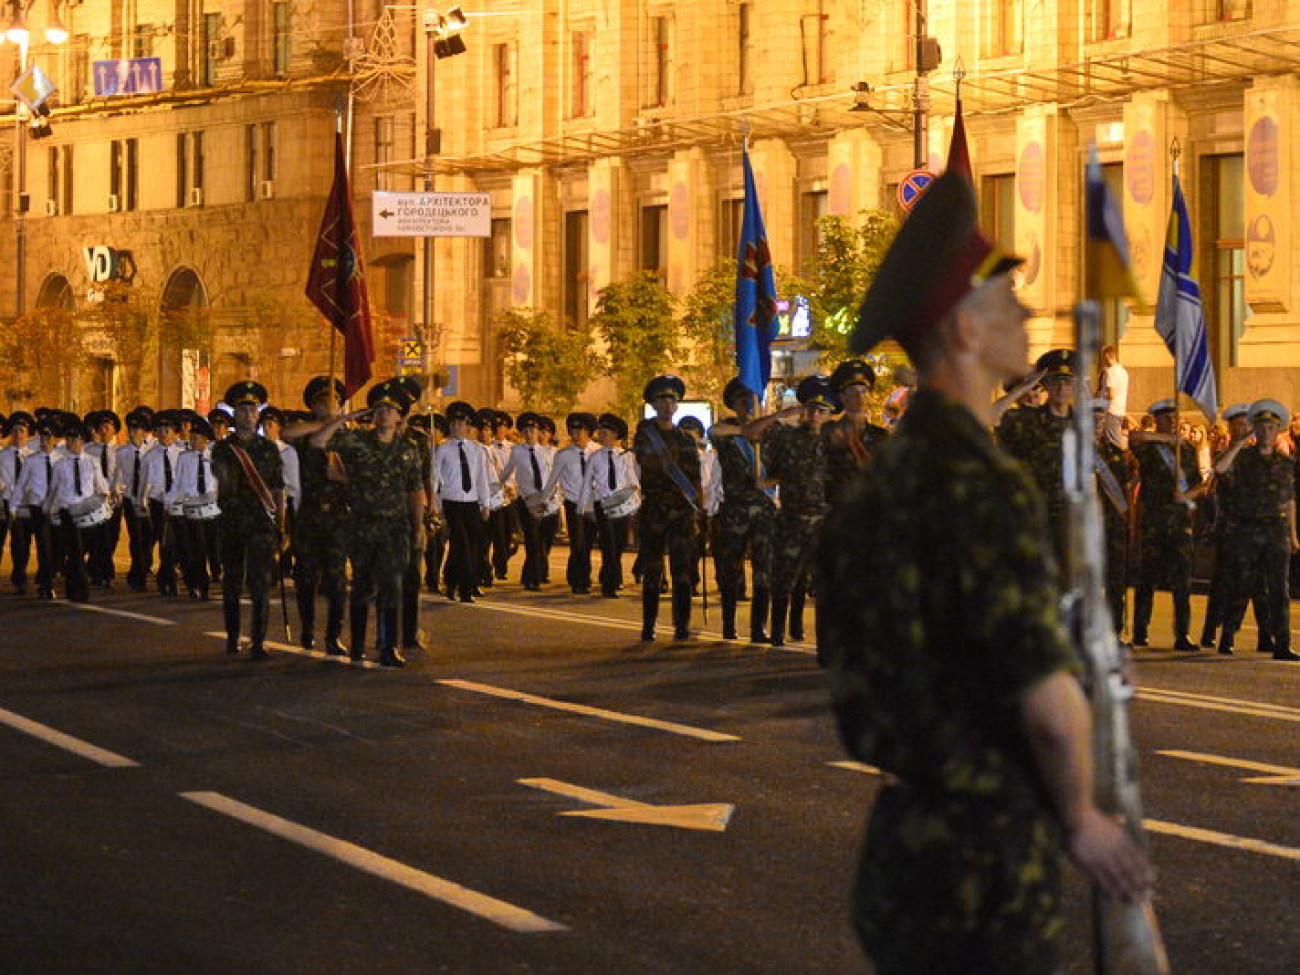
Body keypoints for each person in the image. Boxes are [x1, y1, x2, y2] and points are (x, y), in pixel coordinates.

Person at [817, 169, 1153, 974]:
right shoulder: (978, 479)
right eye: (1006, 300)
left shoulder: (889, 478)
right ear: (964, 330)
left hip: (907, 841)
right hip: (988, 852)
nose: (1026, 314)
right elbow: (1045, 703)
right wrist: (1081, 818)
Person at [310, 379, 424, 666]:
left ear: (400, 416)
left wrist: (418, 525)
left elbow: (415, 489)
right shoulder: (357, 441)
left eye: (391, 410)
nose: (385, 414)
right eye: (380, 409)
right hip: (362, 525)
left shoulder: (408, 449)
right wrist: (345, 418)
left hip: (395, 528)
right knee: (363, 586)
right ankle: (358, 644)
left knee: (392, 586)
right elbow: (317, 441)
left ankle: (388, 646)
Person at [743, 376, 835, 648]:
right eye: (809, 408)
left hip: (824, 521)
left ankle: (824, 639)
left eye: (821, 410)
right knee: (784, 579)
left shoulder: (835, 441)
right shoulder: (788, 436)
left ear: (830, 414)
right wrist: (781, 414)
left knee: (824, 584)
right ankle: (778, 634)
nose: (814, 414)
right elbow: (752, 432)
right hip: (792, 518)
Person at [1210, 399, 1299, 660]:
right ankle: (1227, 636)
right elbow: (1219, 469)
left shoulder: (1286, 463)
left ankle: (1282, 643)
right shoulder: (1243, 458)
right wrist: (1238, 443)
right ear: (1254, 430)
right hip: (1248, 531)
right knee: (1241, 585)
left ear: (1277, 430)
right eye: (1261, 427)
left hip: (1276, 532)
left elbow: (1289, 499)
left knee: (1280, 591)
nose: (1266, 432)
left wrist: (1293, 535)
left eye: (1271, 428)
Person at [211, 382, 285, 659]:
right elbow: (221, 483)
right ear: (235, 413)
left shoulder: (269, 449)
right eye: (243, 409)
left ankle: (258, 641)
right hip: (231, 522)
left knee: (260, 584)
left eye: (252, 409)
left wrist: (281, 525)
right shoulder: (222, 449)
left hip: (261, 525)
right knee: (232, 582)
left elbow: (278, 488)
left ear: (258, 414)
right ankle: (233, 637)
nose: (248, 414)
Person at [283, 377, 351, 656]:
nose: (328, 404)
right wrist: (324, 426)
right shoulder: (302, 434)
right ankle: (308, 630)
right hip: (308, 517)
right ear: (312, 405)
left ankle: (334, 635)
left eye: (333, 400)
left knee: (337, 581)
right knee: (306, 578)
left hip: (337, 518)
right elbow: (286, 433)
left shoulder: (348, 437)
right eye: (322, 401)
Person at [1129, 400, 1204, 651]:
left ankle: (1182, 634)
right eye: (1166, 419)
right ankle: (1140, 631)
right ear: (1158, 421)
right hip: (1154, 522)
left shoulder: (1189, 451)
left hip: (1180, 523)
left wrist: (1186, 497)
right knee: (1147, 580)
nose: (1171, 423)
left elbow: (1200, 485)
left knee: (1182, 583)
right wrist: (1166, 439)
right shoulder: (1150, 448)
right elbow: (1134, 437)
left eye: (1174, 419)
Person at [633, 375, 702, 641]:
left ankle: (681, 625)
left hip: (682, 510)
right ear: (653, 404)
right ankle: (649, 625)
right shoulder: (645, 433)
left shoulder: (686, 438)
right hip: (655, 509)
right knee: (652, 570)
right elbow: (648, 462)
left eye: (672, 399)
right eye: (662, 399)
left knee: (682, 571)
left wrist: (699, 507)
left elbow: (695, 475)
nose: (667, 404)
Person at [997, 348, 1076, 574]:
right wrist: (1023, 386)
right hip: (1032, 515)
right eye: (1054, 383)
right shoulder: (1027, 419)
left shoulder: (1081, 425)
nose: (1061, 389)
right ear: (1046, 386)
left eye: (1067, 382)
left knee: (1065, 583)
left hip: (1067, 518)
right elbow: (991, 415)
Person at [709, 379, 776, 642]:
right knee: (730, 569)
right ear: (733, 405)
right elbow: (713, 430)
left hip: (764, 509)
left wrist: (769, 482)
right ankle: (729, 625)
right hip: (735, 510)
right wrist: (744, 432)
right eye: (741, 401)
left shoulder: (771, 432)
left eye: (751, 400)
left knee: (764, 570)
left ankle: (759, 627)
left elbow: (786, 466)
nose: (747, 405)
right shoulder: (728, 433)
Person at [435, 401, 492, 603]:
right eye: (453, 423)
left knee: (470, 545)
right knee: (462, 543)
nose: (456, 427)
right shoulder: (442, 449)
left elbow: (481, 478)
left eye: (461, 424)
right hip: (452, 502)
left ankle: (451, 581)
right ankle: (466, 589)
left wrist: (486, 504)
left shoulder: (478, 450)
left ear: (469, 426)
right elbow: (435, 479)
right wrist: (436, 507)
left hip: (471, 503)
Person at [46, 420, 109, 603]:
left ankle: (73, 585)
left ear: (82, 441)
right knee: (75, 550)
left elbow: (101, 485)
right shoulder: (59, 464)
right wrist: (48, 509)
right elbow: (53, 489)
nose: (71, 443)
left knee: (84, 551)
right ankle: (80, 590)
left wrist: (104, 497)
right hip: (68, 512)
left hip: (87, 512)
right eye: (69, 439)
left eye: (75, 439)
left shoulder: (92, 462)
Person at [576, 413, 638, 598]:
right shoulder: (595, 457)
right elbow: (587, 482)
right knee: (608, 543)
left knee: (619, 544)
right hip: (602, 504)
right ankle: (610, 585)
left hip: (622, 504)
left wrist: (635, 497)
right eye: (601, 431)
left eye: (606, 432)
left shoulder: (626, 457)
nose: (602, 435)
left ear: (616, 435)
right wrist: (582, 508)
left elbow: (632, 479)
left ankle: (609, 576)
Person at [542, 412, 599, 594]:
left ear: (588, 431)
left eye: (579, 429)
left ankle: (576, 574)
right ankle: (581, 580)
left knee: (588, 543)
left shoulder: (597, 452)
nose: (575, 433)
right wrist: (542, 500)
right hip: (573, 503)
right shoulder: (563, 455)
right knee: (578, 542)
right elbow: (552, 480)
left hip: (593, 503)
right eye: (572, 429)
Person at [500, 411, 557, 591]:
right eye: (525, 430)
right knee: (532, 540)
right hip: (526, 501)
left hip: (545, 500)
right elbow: (507, 472)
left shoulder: (547, 453)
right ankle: (532, 579)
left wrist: (553, 496)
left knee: (541, 541)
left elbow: (551, 476)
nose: (529, 433)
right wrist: (497, 486)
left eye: (533, 429)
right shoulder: (517, 451)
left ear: (539, 432)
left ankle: (531, 574)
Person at [823, 359, 889, 504]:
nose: (860, 397)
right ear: (842, 397)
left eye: (864, 392)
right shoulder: (828, 433)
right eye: (853, 392)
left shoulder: (881, 436)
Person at [167, 416, 219, 600]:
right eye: (192, 437)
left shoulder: (215, 458)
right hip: (191, 508)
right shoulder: (184, 458)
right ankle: (196, 585)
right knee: (194, 549)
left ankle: (206, 581)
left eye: (197, 438)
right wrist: (170, 502)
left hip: (212, 510)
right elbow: (178, 483)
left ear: (206, 440)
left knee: (210, 548)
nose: (193, 441)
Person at [140, 411, 186, 597]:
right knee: (165, 541)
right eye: (160, 430)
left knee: (176, 542)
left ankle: (166, 575)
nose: (164, 433)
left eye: (168, 430)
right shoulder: (149, 457)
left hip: (178, 503)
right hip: (158, 503)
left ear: (175, 433)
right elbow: (144, 482)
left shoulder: (183, 455)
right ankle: (167, 579)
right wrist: (141, 502)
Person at [113, 409, 155, 592]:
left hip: (149, 500)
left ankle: (141, 567)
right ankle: (138, 575)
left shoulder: (151, 452)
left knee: (148, 537)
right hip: (131, 498)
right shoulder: (121, 452)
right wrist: (117, 492)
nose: (133, 432)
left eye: (137, 429)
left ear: (145, 432)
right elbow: (118, 475)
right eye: (131, 428)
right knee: (136, 537)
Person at [1, 412, 38, 594]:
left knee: (22, 542)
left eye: (22, 430)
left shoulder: (33, 456)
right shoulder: (3, 456)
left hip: (26, 503)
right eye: (15, 430)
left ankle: (20, 576)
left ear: (28, 433)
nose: (18, 434)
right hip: (6, 501)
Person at [1097, 344, 1129, 447]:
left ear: (1106, 356)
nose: (1102, 361)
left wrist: (1098, 398)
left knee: (1112, 445)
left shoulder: (1111, 372)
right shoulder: (1123, 371)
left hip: (1111, 412)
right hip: (1120, 411)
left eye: (1102, 358)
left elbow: (1111, 395)